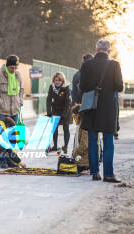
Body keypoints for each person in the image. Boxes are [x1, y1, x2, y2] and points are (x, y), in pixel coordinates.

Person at [80, 40, 123, 183]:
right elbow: (120, 86)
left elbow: (83, 86)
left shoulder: (86, 64)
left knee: (92, 140)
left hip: (92, 107)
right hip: (108, 108)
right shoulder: (114, 65)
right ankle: (109, 174)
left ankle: (94, 173)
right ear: (108, 51)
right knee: (108, 140)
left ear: (96, 49)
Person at [0, 55, 24, 168]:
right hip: (2, 111)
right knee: (2, 138)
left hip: (14, 110)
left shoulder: (17, 74)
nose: (13, 70)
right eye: (11, 67)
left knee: (12, 137)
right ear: (7, 66)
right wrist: (0, 103)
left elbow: (21, 89)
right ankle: (3, 161)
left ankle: (10, 160)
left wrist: (20, 101)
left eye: (15, 67)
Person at [46, 72, 72, 154]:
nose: (57, 82)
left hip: (66, 110)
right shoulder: (51, 87)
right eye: (56, 80)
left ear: (62, 81)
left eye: (59, 80)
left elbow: (68, 102)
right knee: (54, 129)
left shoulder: (66, 88)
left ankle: (65, 147)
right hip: (56, 110)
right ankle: (55, 146)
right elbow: (49, 99)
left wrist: (64, 114)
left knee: (66, 128)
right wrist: (49, 112)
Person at [71, 104, 90, 172]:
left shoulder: (85, 126)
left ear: (80, 115)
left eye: (75, 115)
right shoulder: (80, 125)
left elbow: (84, 145)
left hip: (85, 161)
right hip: (81, 157)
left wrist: (74, 154)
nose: (74, 118)